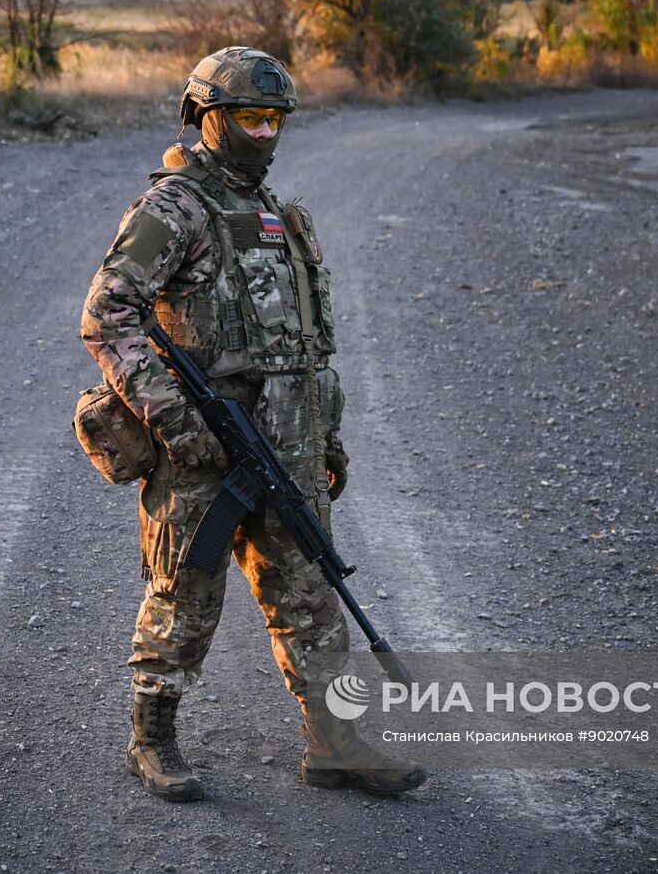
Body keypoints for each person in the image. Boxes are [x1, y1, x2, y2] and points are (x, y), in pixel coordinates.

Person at [80, 46, 426, 801]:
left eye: (275, 118)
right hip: (206, 441)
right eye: (249, 117)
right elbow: (108, 315)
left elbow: (305, 346)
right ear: (205, 117)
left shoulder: (278, 215)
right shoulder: (173, 208)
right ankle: (152, 739)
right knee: (185, 594)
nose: (265, 132)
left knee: (311, 599)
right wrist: (173, 416)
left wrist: (324, 435)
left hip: (287, 447)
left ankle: (336, 742)